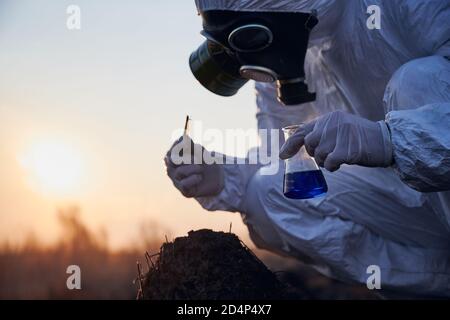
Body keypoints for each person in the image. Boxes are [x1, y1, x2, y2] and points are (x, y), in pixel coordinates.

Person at [165, 0, 450, 296]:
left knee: (420, 81)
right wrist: (224, 176)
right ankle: (438, 283)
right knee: (263, 193)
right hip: (408, 208)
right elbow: (282, 154)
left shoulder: (405, 7)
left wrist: (390, 140)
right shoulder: (280, 54)